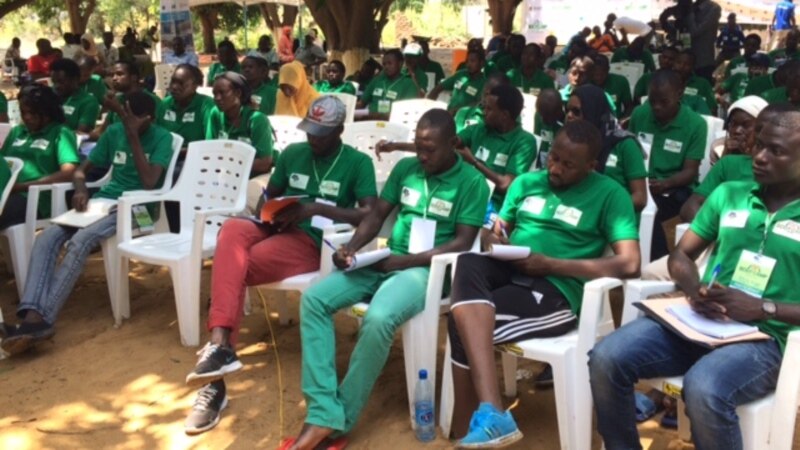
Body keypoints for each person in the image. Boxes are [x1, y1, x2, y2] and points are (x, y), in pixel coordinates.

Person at [589, 103, 800, 450]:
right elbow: (681, 255)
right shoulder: (730, 193)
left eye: (775, 151)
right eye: (759, 144)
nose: (759, 156)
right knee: (607, 356)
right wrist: (694, 288)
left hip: (770, 339)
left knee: (704, 386)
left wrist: (764, 308)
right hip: (706, 321)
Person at [283, 109, 490, 450]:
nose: (421, 156)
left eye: (430, 149)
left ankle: (337, 422)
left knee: (379, 318)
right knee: (314, 300)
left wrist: (401, 262)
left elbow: (461, 243)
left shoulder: (470, 182)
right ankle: (323, 411)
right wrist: (351, 248)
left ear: (452, 144)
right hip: (383, 260)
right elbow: (376, 215)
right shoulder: (406, 169)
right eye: (418, 147)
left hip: (426, 271)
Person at [183, 96, 378, 435]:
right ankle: (219, 344)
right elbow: (266, 198)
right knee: (231, 230)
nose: (312, 138)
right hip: (274, 228)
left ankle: (215, 380)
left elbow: (368, 213)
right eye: (309, 131)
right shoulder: (292, 154)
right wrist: (273, 213)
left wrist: (315, 209)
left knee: (234, 267)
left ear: (339, 130)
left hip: (311, 241)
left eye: (321, 133)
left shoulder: (357, 162)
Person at [446, 119, 640, 447]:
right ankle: (489, 415)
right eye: (553, 157)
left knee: (461, 321)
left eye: (568, 165)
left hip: (555, 291)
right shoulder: (526, 183)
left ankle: (469, 426)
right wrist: (493, 239)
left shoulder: (610, 194)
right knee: (468, 263)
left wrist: (551, 264)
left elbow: (630, 263)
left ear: (592, 166)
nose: (555, 168)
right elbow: (495, 230)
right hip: (511, 270)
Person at [0, 91, 175, 356]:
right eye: (121, 115)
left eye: (130, 117)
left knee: (80, 242)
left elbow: (150, 181)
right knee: (47, 237)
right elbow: (81, 170)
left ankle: (39, 321)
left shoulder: (162, 138)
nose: (123, 121)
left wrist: (134, 139)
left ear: (147, 119)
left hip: (138, 209)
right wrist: (81, 188)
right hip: (102, 203)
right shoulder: (114, 131)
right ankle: (32, 315)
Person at [641, 97, 769, 282]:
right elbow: (689, 209)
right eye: (733, 124)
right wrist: (719, 232)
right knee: (651, 272)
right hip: (721, 240)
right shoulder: (727, 160)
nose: (737, 131)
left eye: (746, 125)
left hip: (757, 256)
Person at [629, 69, 708, 261]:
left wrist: (665, 183)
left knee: (650, 210)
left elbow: (690, 172)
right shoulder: (640, 114)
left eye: (663, 102)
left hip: (675, 187)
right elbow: (629, 152)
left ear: (679, 94)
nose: (656, 107)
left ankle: (660, 260)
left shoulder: (695, 124)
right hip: (640, 182)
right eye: (652, 100)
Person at [0, 84, 79, 230]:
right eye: (23, 113)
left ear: (47, 111)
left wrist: (21, 187)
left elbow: (69, 172)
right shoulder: (17, 131)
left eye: (33, 112)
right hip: (5, 191)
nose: (28, 117)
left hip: (35, 198)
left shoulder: (60, 132)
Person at [453, 85, 538, 211]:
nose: (483, 112)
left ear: (504, 115)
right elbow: (451, 141)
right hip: (464, 194)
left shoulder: (524, 142)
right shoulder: (480, 129)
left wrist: (474, 162)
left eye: (489, 109)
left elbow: (506, 185)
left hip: (493, 204)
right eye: (484, 107)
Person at [567, 85, 647, 212]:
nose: (569, 116)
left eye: (576, 111)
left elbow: (640, 198)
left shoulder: (625, 145)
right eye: (567, 110)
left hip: (613, 214)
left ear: (593, 111)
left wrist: (601, 207)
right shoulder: (570, 144)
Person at [207, 72, 275, 215]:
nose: (217, 98)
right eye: (214, 94)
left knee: (241, 202)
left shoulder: (257, 119)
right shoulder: (215, 114)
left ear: (238, 93)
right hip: (226, 173)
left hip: (258, 175)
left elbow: (265, 162)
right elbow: (210, 152)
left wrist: (231, 164)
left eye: (222, 93)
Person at [90, 61, 164, 141]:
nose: (114, 78)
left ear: (134, 77)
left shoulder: (152, 100)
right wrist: (79, 136)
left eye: (119, 74)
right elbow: (102, 132)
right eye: (112, 75)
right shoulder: (118, 99)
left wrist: (119, 110)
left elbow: (151, 134)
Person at [358, 49, 421, 121]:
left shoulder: (408, 84)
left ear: (400, 64)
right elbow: (361, 103)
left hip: (393, 123)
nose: (386, 67)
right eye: (384, 64)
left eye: (390, 63)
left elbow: (406, 112)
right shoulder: (377, 80)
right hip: (369, 121)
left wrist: (377, 115)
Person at [428, 50, 486, 114]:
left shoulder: (484, 83)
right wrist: (428, 102)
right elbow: (439, 87)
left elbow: (479, 103)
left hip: (466, 117)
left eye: (472, 61)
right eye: (467, 61)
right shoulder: (460, 75)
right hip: (449, 114)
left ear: (481, 63)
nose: (469, 64)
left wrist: (457, 110)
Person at [50, 58, 99, 135]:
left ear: (75, 79)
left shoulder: (88, 102)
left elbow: (80, 134)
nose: (56, 86)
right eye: (54, 82)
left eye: (60, 82)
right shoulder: (49, 96)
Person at [684, 0, 722, 83]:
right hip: (687, 60)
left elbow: (695, 31)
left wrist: (689, 13)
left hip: (704, 61)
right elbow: (685, 33)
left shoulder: (714, 8)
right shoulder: (692, 7)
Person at [533, 89, 564, 168]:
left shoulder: (564, 124)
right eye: (542, 115)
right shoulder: (538, 116)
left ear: (558, 113)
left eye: (548, 117)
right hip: (540, 159)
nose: (544, 120)